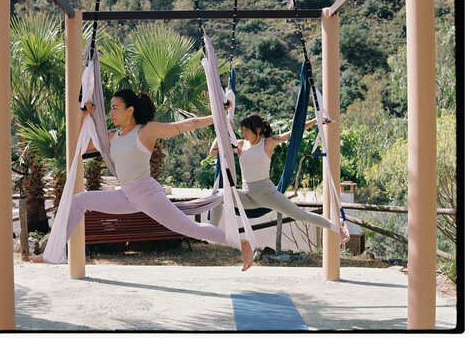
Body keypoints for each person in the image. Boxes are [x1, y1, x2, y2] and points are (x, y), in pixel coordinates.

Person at [29, 89, 254, 271]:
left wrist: (218, 115)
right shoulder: (111, 136)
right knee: (79, 200)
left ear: (130, 110)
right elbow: (79, 145)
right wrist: (82, 115)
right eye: (110, 108)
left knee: (190, 228)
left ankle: (240, 242)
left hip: (148, 194)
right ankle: (54, 252)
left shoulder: (146, 131)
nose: (111, 113)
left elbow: (188, 124)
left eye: (115, 108)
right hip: (126, 195)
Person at [209, 114, 350, 244]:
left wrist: (315, 120)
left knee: (301, 215)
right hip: (248, 196)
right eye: (242, 130)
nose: (243, 133)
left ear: (257, 129)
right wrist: (221, 128)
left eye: (246, 130)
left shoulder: (267, 143)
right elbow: (213, 152)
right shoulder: (240, 144)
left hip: (268, 195)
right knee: (217, 195)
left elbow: (293, 133)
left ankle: (338, 229)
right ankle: (211, 233)